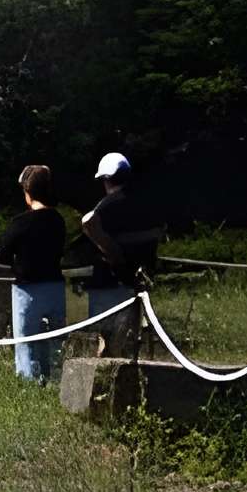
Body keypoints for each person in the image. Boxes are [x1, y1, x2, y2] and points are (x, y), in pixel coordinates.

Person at [78, 150, 162, 356]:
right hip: (138, 278)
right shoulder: (146, 202)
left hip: (110, 279)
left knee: (106, 337)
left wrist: (107, 246)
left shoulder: (107, 205)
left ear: (106, 179)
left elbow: (88, 221)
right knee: (130, 337)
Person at [1, 165, 69, 385]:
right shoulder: (58, 220)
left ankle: (28, 384)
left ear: (27, 192)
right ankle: (56, 381)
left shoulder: (20, 223)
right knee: (55, 341)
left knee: (26, 342)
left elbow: (4, 254)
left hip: (27, 289)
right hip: (54, 286)